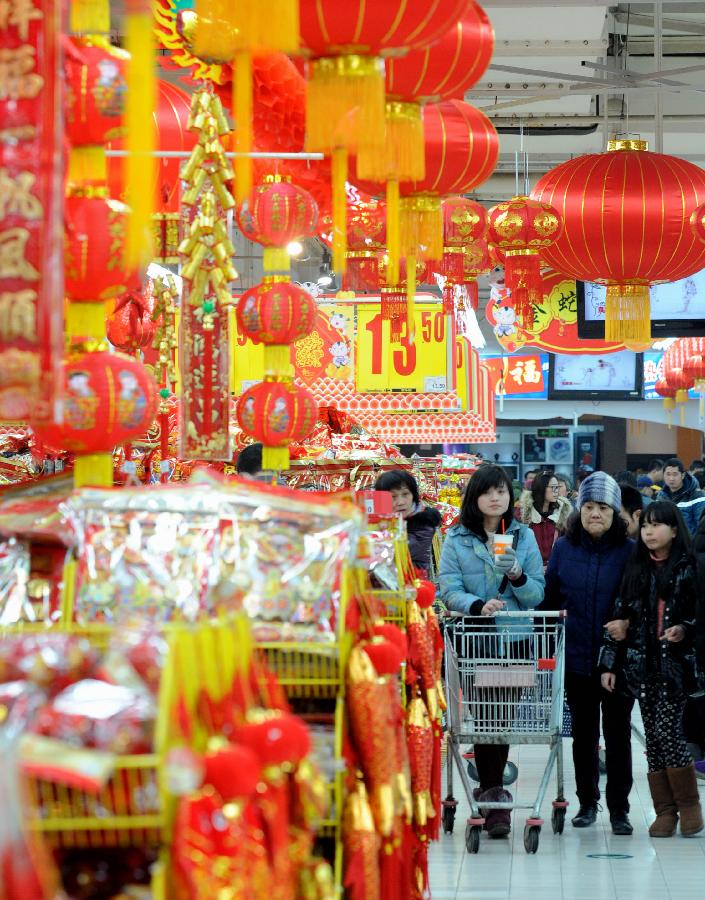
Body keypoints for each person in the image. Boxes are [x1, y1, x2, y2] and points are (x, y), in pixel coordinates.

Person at [439, 464, 544, 838]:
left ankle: (491, 793)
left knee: (501, 719)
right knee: (486, 717)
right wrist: (477, 604)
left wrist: (517, 574)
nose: (496, 498)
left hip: (514, 640)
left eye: (501, 491)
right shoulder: (456, 539)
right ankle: (495, 799)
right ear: (475, 498)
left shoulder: (523, 536)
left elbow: (537, 594)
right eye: (487, 492)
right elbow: (447, 588)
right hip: (474, 639)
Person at [600, 501, 704, 837]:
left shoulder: (689, 568)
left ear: (674, 530)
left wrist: (684, 629)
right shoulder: (636, 568)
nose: (649, 532)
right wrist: (610, 662)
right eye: (645, 526)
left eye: (658, 525)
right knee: (654, 739)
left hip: (676, 668)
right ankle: (665, 810)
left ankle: (689, 805)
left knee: (667, 732)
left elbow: (699, 616)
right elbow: (620, 615)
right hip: (641, 667)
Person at [544, 472, 635, 835]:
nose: (594, 513)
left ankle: (620, 809)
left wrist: (627, 623)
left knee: (617, 735)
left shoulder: (629, 551)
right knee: (583, 734)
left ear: (614, 511)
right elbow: (551, 597)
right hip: (577, 656)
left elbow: (637, 599)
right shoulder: (565, 547)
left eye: (602, 507)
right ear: (579, 509)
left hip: (617, 660)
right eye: (589, 507)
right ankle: (587, 803)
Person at [374, 470, 441, 575]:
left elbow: (398, 552)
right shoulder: (380, 518)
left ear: (413, 495)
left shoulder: (424, 522)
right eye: (393, 497)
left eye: (405, 494)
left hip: (413, 583)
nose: (400, 502)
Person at [515, 471, 573, 568]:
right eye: (553, 487)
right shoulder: (522, 514)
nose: (556, 491)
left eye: (557, 487)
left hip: (555, 570)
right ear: (541, 488)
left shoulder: (563, 514)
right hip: (528, 569)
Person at [660, 457, 705, 533]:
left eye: (675, 474)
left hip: (689, 542)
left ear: (683, 475)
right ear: (663, 475)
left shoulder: (697, 496)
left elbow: (701, 527)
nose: (671, 478)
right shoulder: (661, 496)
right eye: (668, 474)